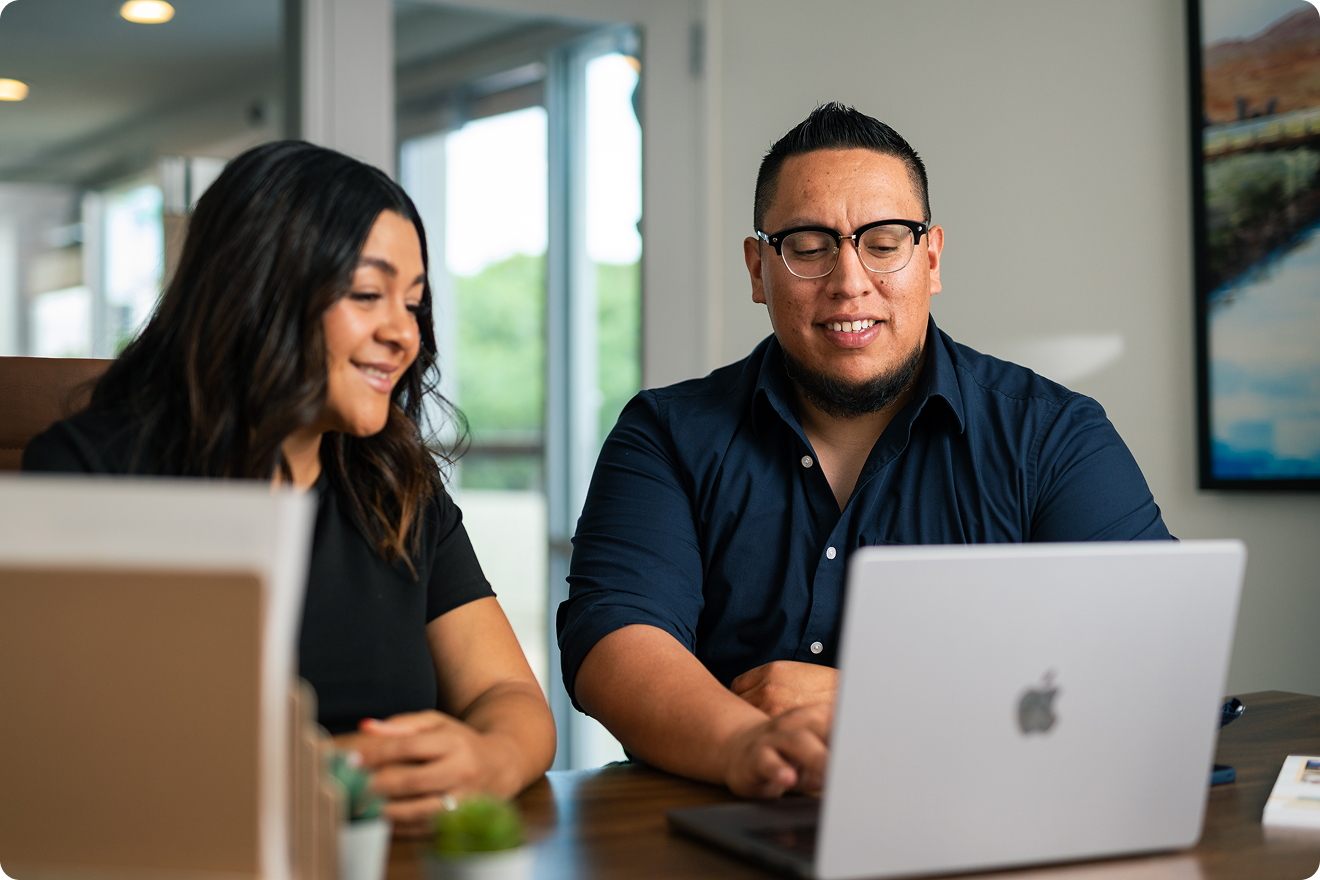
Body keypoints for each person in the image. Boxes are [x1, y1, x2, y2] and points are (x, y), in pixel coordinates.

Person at [557, 103, 1171, 800]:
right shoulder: (665, 434)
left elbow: (1149, 661)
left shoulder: (1054, 437)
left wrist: (877, 706)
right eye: (809, 246)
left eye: (884, 243)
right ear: (759, 270)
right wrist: (751, 745)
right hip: (726, 829)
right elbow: (614, 642)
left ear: (931, 258)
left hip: (989, 824)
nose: (850, 281)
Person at [23, 140, 556, 836]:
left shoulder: (397, 487)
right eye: (368, 294)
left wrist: (487, 758)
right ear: (259, 289)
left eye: (414, 303)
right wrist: (318, 777)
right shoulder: (87, 475)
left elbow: (507, 692)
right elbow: (67, 753)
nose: (404, 333)